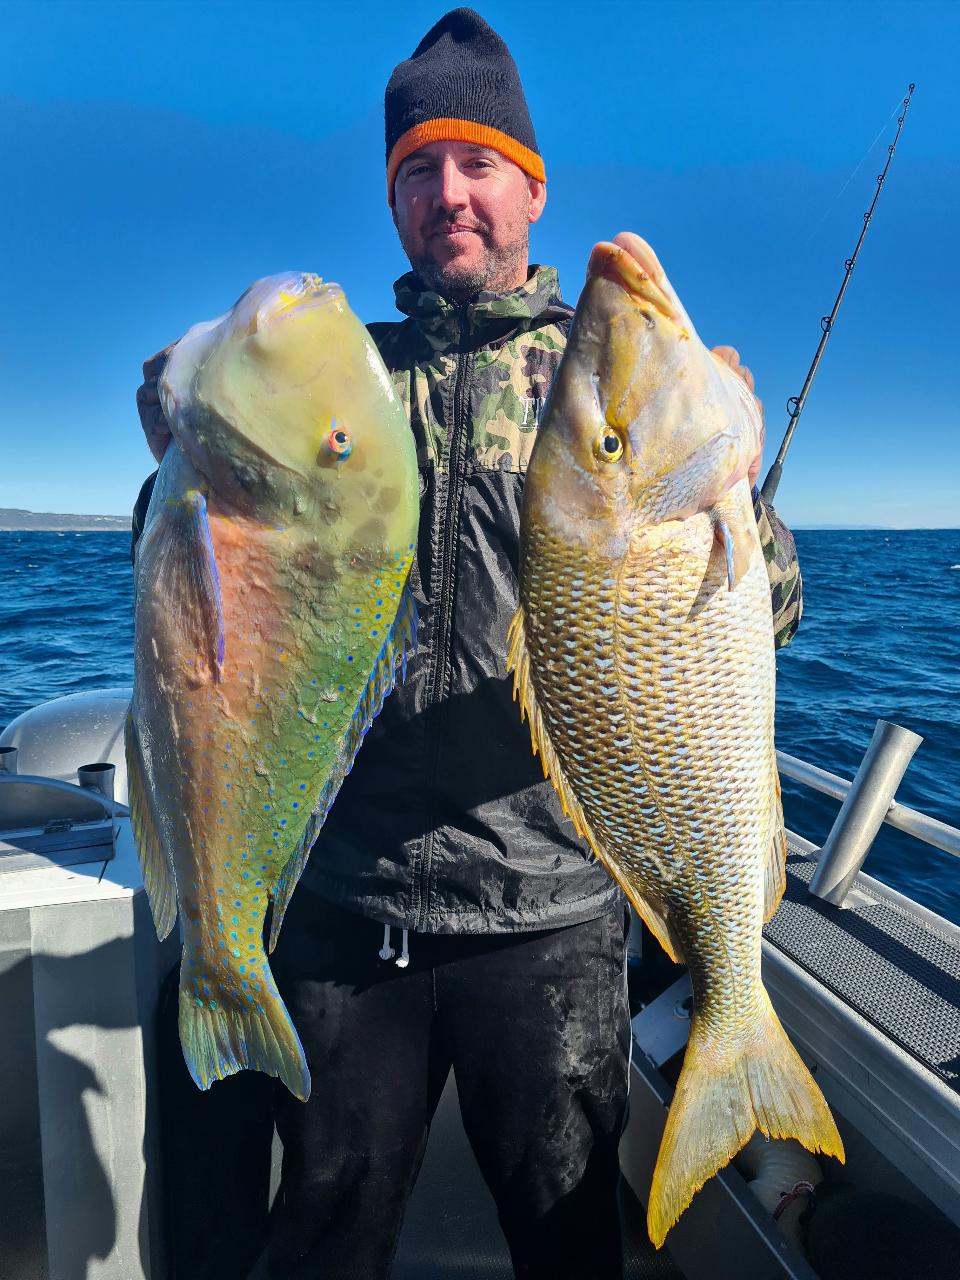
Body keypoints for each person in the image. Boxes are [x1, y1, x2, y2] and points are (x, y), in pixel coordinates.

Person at [133, 10, 802, 1279]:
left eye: (479, 163)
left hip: (548, 909)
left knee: (565, 1233)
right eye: (416, 171)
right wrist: (182, 461)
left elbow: (763, 613)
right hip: (345, 899)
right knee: (324, 1231)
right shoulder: (335, 375)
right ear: (391, 200)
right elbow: (201, 601)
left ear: (532, 187)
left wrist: (744, 499)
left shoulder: (610, 374)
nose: (450, 195)